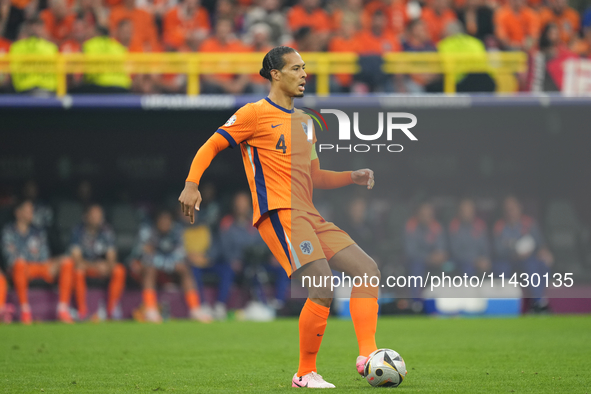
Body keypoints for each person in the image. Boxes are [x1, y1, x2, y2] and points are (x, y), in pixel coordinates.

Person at [179, 46, 379, 388]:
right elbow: (211, 145)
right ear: (275, 74)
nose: (304, 74)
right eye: (296, 68)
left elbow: (315, 177)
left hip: (309, 214)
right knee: (322, 286)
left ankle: (368, 356)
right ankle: (304, 373)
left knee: (368, 270)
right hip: (279, 212)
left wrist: (351, 176)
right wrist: (191, 185)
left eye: (305, 68)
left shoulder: (306, 122)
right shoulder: (253, 114)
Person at [1, 200, 74, 324]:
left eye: (32, 211)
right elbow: (9, 258)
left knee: (67, 262)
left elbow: (44, 255)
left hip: (41, 266)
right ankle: (25, 311)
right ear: (18, 213)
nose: (31, 213)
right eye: (28, 211)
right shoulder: (8, 231)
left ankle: (62, 310)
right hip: (23, 269)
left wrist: (49, 263)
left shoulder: (38, 231)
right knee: (19, 264)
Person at [136, 209, 211, 323]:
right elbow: (146, 255)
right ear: (157, 221)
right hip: (147, 269)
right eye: (162, 220)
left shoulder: (176, 231)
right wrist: (167, 264)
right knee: (149, 268)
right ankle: (150, 309)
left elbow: (180, 253)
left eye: (167, 221)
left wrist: (167, 265)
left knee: (185, 269)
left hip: (167, 268)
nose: (165, 223)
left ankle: (195, 309)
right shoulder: (147, 231)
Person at [493, 196, 553, 312]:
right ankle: (505, 307)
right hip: (507, 260)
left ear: (519, 208)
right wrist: (515, 254)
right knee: (501, 268)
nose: (510, 212)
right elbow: (498, 251)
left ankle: (538, 303)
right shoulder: (499, 226)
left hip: (528, 260)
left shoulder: (529, 223)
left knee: (536, 265)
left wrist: (544, 252)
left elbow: (541, 245)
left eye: (513, 209)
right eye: (507, 209)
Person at [70, 204, 126, 320]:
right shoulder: (78, 231)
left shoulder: (106, 230)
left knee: (119, 270)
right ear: (86, 216)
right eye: (94, 215)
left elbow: (112, 256)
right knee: (77, 270)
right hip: (87, 267)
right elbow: (77, 259)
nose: (97, 218)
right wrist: (95, 266)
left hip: (103, 268)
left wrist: (108, 266)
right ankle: (82, 311)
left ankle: (111, 310)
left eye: (99, 215)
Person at [404, 201, 447, 299]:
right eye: (423, 214)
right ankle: (416, 302)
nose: (426, 217)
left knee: (448, 267)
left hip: (436, 261)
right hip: (418, 260)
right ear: (418, 214)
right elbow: (410, 251)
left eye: (429, 214)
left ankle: (441, 302)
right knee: (416, 267)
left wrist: (439, 256)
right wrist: (428, 257)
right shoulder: (411, 225)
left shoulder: (437, 226)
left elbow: (442, 247)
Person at [9, 18, 58, 94]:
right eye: (32, 27)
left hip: (47, 89)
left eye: (38, 27)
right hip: (23, 89)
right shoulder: (16, 48)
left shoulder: (51, 48)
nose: (35, 29)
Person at [448, 199, 490, 276]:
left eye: (469, 210)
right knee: (467, 268)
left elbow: (485, 248)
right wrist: (474, 260)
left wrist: (484, 259)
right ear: (459, 212)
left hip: (479, 261)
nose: (466, 213)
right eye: (464, 210)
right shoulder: (454, 225)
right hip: (460, 261)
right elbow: (455, 252)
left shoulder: (480, 225)